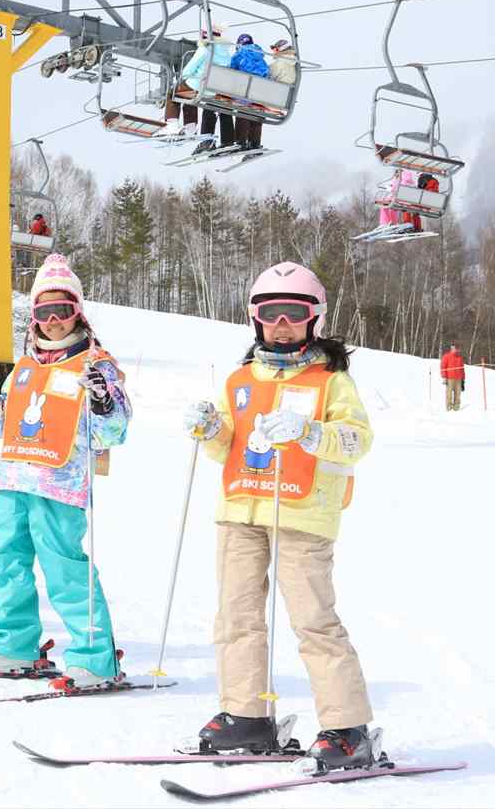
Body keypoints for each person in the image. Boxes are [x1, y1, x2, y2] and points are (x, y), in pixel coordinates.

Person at [182, 261, 376, 770]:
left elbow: (357, 441)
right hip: (241, 509)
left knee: (313, 619)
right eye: (272, 314)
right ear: (256, 319)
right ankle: (247, 717)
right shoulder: (240, 379)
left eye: (294, 313)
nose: (282, 323)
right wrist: (209, 430)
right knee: (236, 616)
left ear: (314, 318)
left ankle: (346, 728)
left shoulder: (330, 381)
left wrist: (310, 434)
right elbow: (230, 446)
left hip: (302, 512)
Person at [0, 253, 131, 689]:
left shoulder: (95, 363)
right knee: (1, 560)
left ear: (78, 312)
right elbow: (6, 424)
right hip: (13, 482)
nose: (53, 322)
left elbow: (115, 431)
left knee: (64, 569)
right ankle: (13, 643)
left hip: (60, 484)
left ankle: (95, 657)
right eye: (44, 312)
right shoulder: (26, 368)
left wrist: (104, 400)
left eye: (62, 311)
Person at [164, 24, 235, 155]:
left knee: (174, 92)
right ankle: (190, 128)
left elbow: (189, 69)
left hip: (198, 85)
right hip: (213, 90)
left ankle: (173, 125)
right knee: (189, 97)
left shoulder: (205, 49)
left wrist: (183, 76)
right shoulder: (226, 54)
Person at [230, 35, 269, 155]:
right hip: (261, 91)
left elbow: (231, 71)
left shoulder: (239, 55)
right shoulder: (260, 56)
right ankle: (255, 143)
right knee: (256, 113)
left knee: (243, 111)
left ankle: (240, 142)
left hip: (245, 89)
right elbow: (266, 72)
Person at [440, 344, 465, 411]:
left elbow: (462, 369)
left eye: (456, 348)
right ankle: (449, 407)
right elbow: (443, 367)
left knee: (458, 394)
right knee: (449, 394)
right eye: (454, 348)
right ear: (451, 348)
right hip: (450, 378)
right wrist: (444, 377)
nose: (455, 350)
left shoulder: (460, 357)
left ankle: (456, 408)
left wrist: (463, 380)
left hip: (458, 379)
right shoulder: (446, 356)